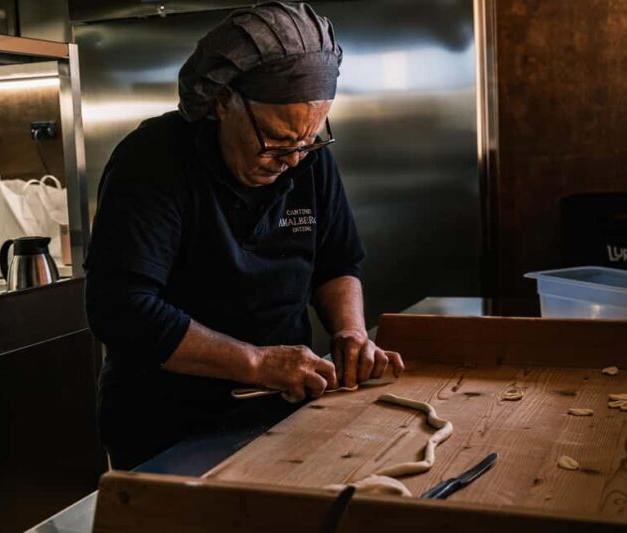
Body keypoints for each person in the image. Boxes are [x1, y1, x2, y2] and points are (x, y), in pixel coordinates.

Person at [84, 1, 404, 470]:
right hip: (167, 426)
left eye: (309, 140)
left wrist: (351, 332)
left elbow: (336, 263)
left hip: (283, 415)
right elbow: (121, 309)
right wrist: (256, 362)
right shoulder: (154, 161)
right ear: (222, 100)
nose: (293, 159)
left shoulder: (307, 157)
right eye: (275, 141)